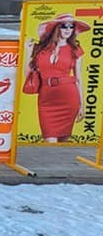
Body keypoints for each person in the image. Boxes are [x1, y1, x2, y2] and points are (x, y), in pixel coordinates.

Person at [27, 13, 88, 142]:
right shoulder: (41, 48)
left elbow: (79, 78)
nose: (68, 29)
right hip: (46, 99)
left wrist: (82, 105)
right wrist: (28, 52)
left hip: (68, 98)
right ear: (56, 28)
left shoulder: (75, 49)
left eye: (71, 27)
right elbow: (28, 73)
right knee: (49, 140)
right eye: (64, 26)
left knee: (62, 143)